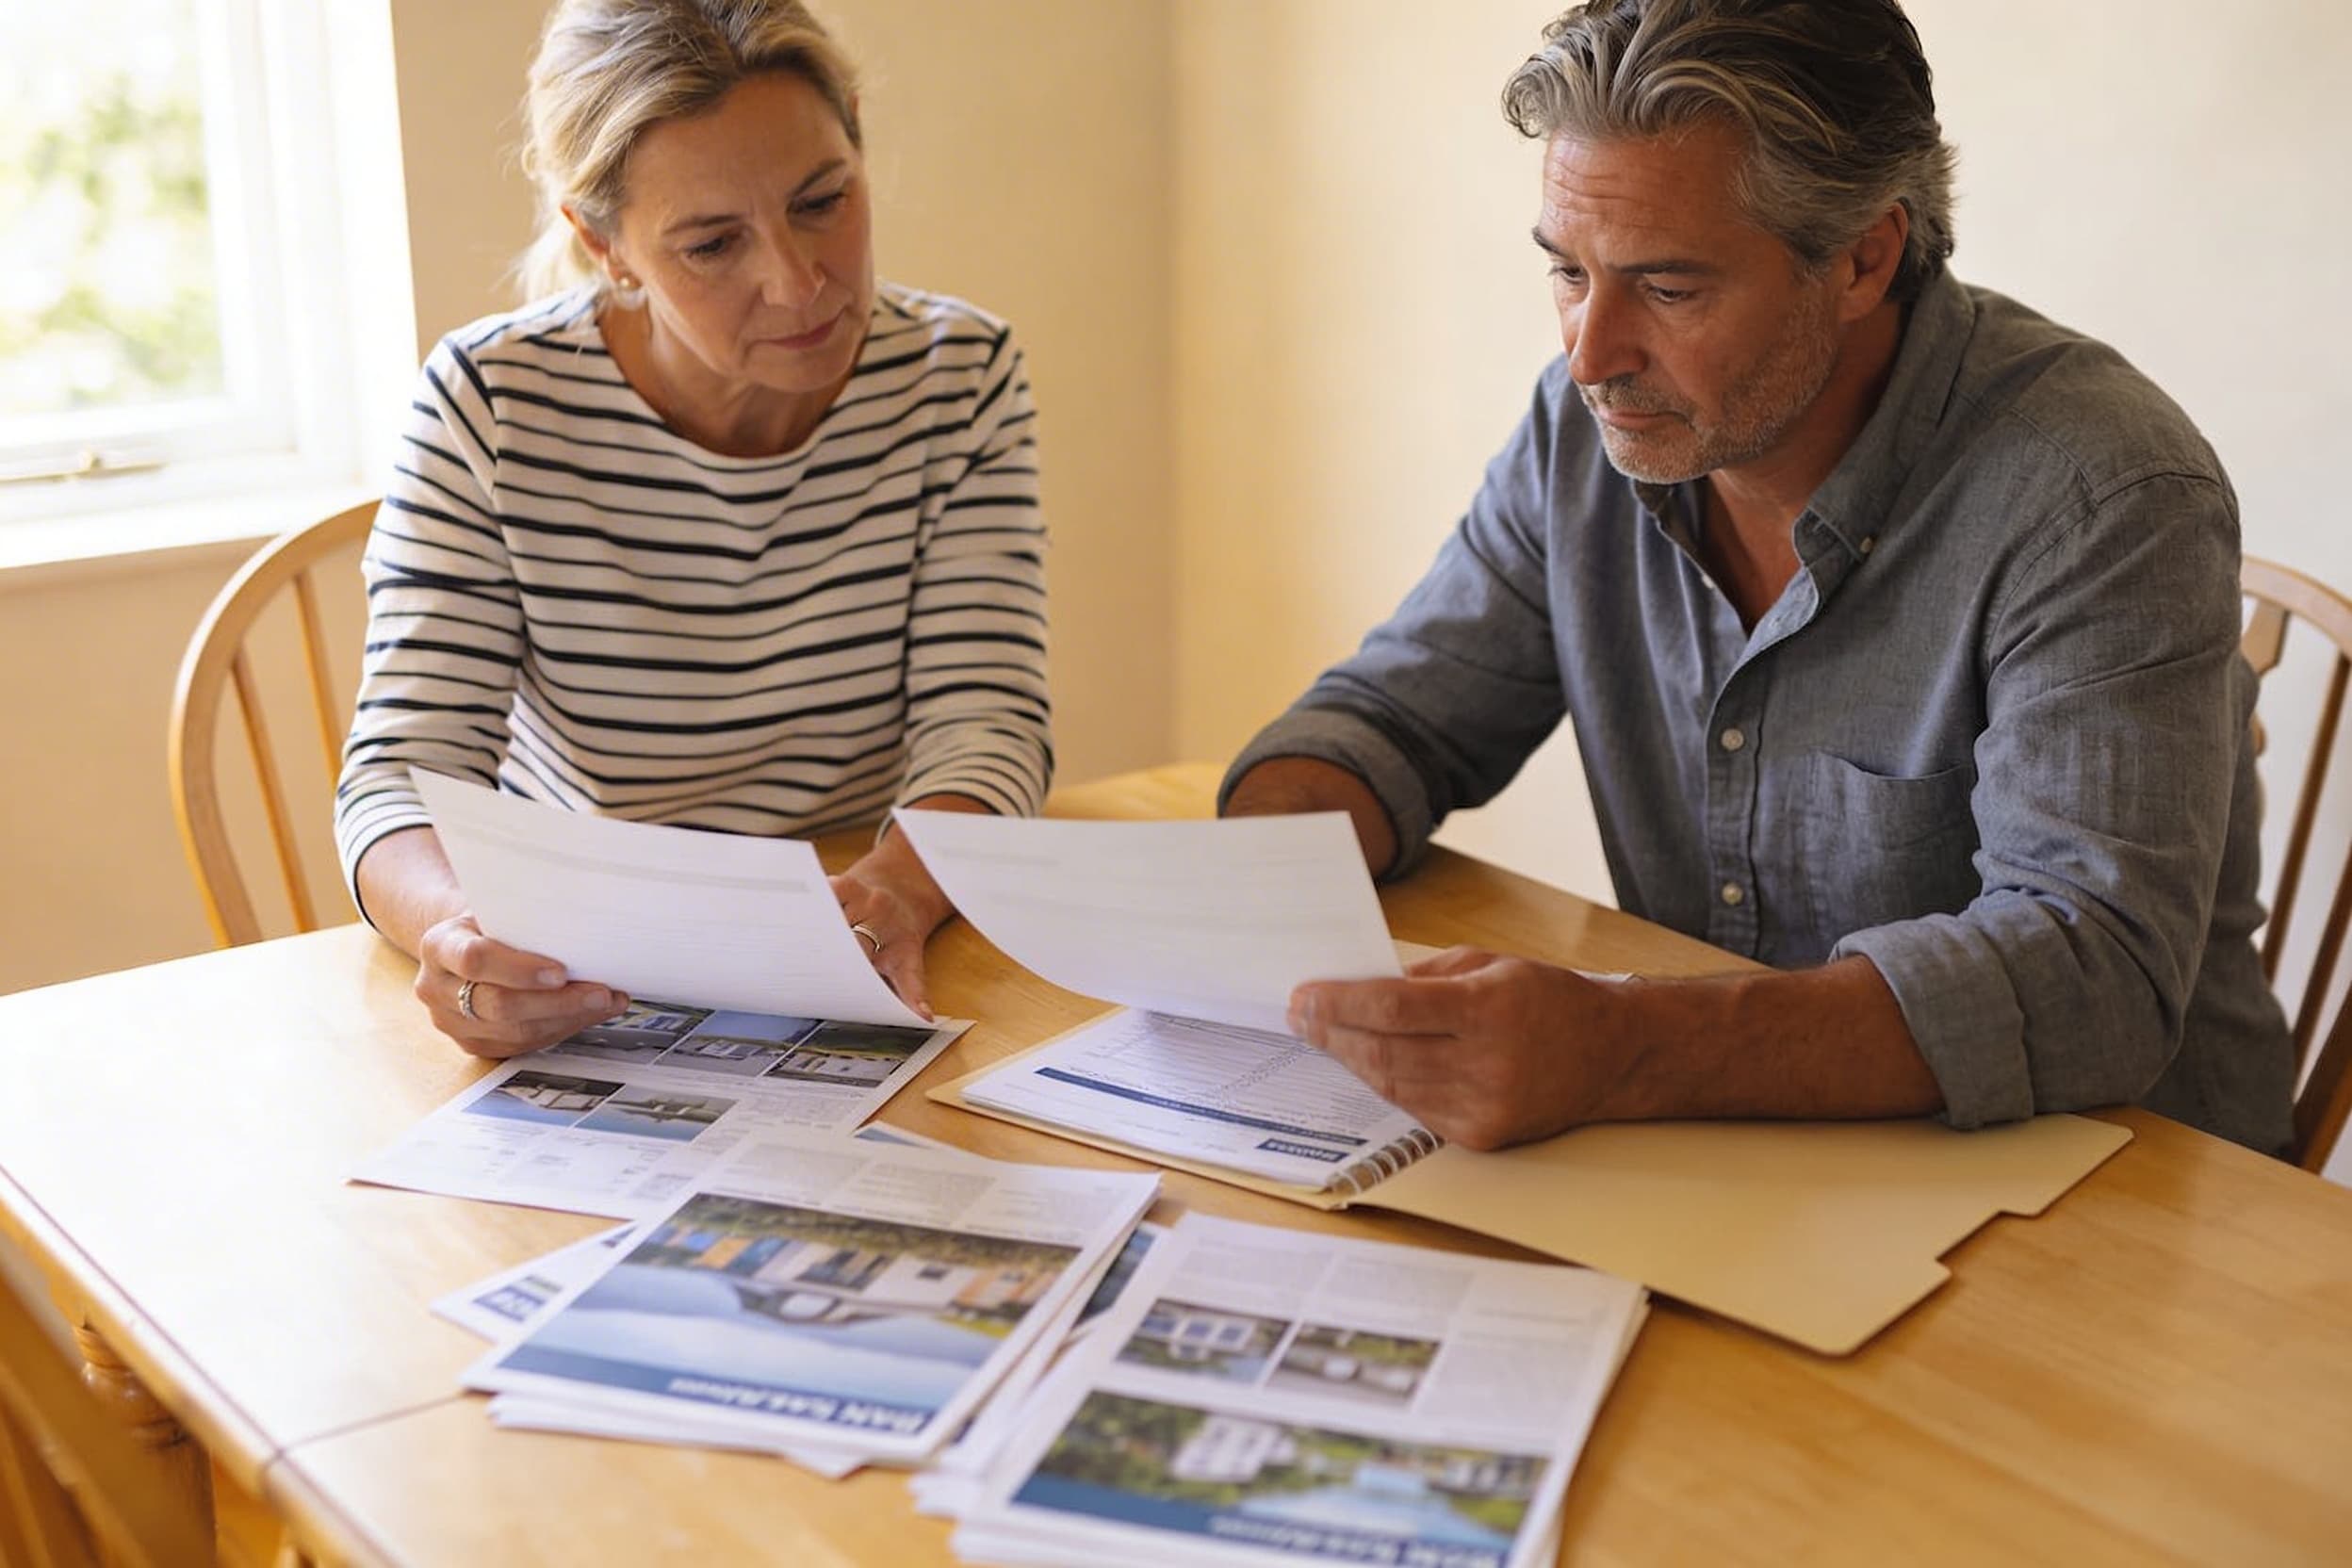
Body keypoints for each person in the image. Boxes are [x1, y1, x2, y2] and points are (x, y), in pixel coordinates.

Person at [1224, 0, 2296, 1155]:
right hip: (1740, 1151)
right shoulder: (1586, 427)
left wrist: (1626, 1043)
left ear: (1863, 257)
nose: (1591, 356)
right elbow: (1396, 717)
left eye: (1669, 289)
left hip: (2122, 1200)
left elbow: (2091, 971)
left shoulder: (2102, 493)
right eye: (1569, 274)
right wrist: (1249, 872)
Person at [334, 0, 1051, 1056]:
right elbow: (404, 769)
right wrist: (460, 931)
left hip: (872, 926)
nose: (797, 282)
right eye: (713, 243)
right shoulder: (489, 402)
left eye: (823, 201)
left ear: (855, 131)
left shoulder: (958, 375)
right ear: (602, 242)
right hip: (591, 967)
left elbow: (985, 720)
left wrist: (894, 893)